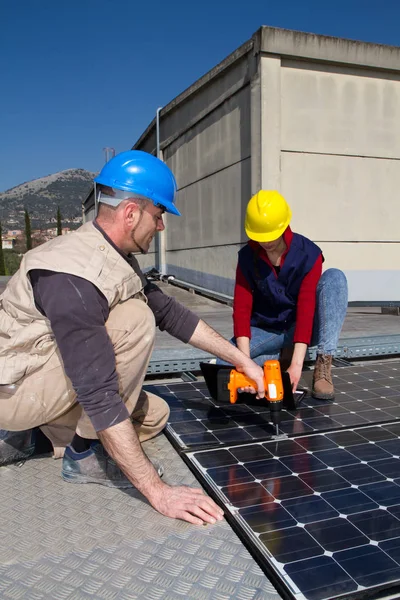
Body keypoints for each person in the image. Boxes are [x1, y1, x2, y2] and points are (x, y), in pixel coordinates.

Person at [0, 150, 265, 526]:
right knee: (135, 320)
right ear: (130, 213)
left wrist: (243, 361)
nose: (160, 227)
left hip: (45, 375)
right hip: (14, 389)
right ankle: (82, 455)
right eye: (158, 217)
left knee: (154, 416)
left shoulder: (115, 256)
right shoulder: (73, 276)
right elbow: (99, 391)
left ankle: (30, 438)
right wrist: (158, 491)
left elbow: (173, 315)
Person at [217, 190, 348, 400]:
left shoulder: (308, 254)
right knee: (225, 362)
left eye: (270, 236)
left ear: (283, 225)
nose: (266, 243)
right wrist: (245, 363)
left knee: (335, 278)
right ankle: (277, 361)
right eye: (260, 237)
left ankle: (322, 364)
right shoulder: (247, 257)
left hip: (302, 329)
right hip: (267, 331)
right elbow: (241, 309)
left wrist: (297, 366)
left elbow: (306, 310)